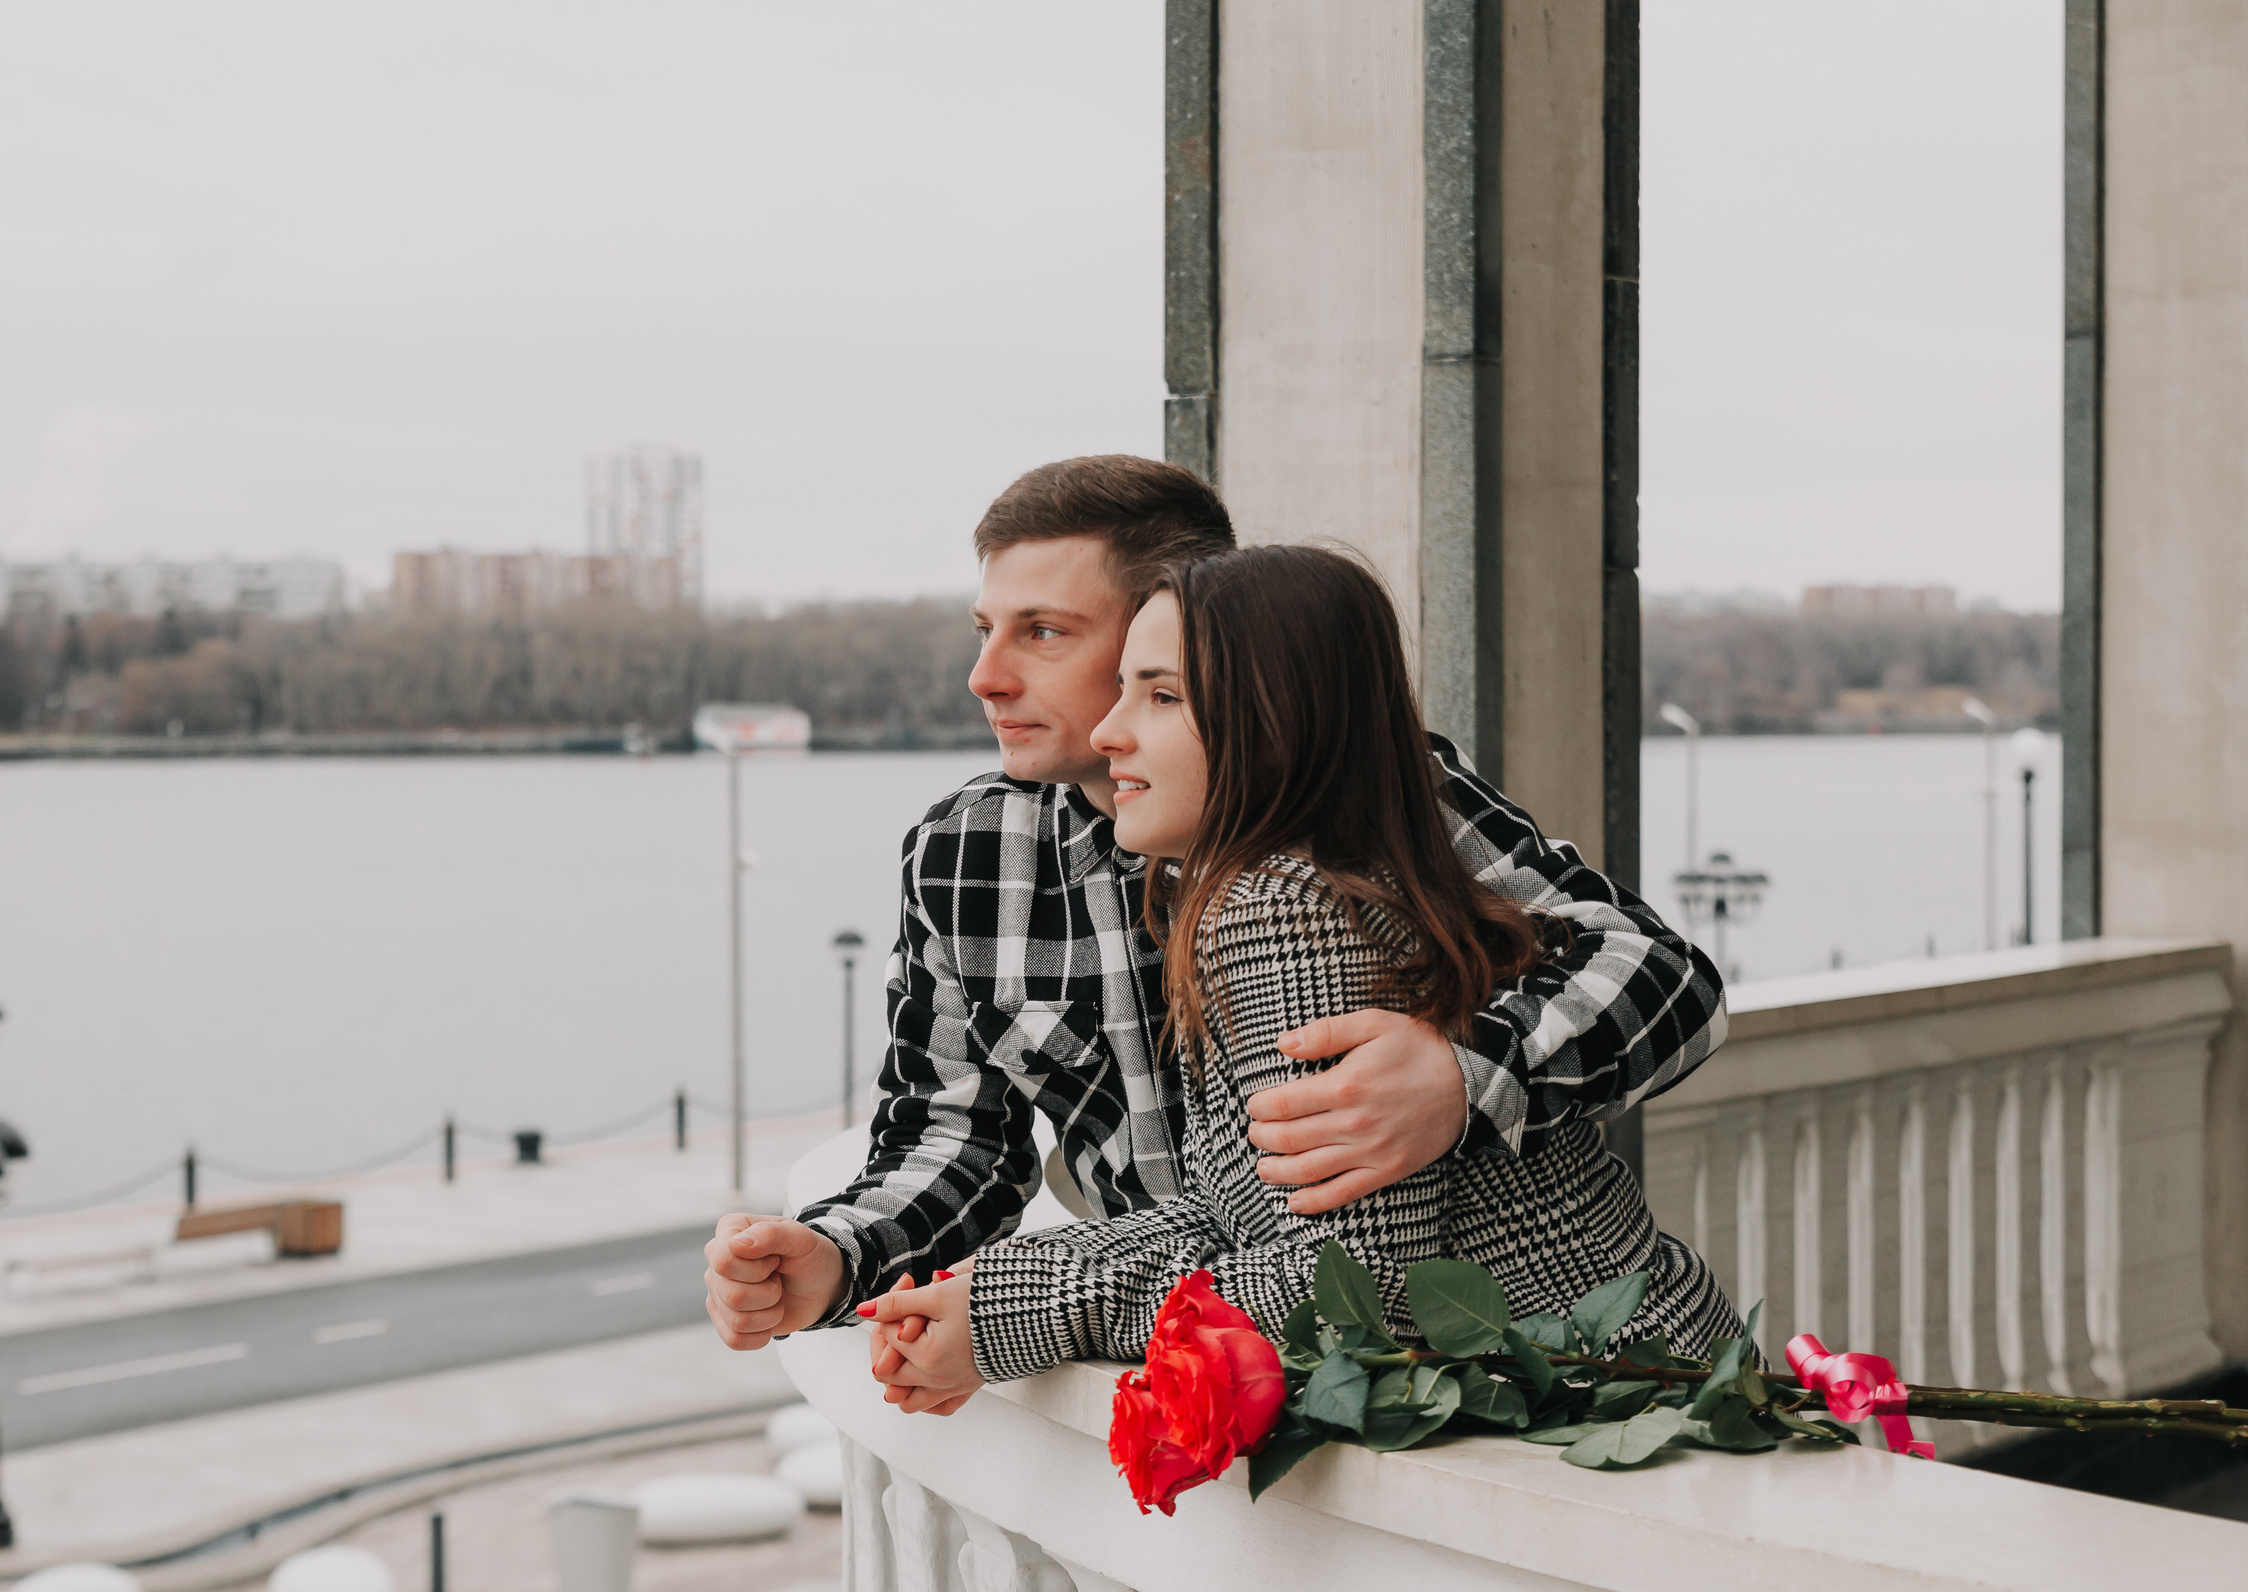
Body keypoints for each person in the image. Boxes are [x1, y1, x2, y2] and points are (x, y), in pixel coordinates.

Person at [703, 456, 1726, 1408]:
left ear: (1186, 627)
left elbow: (1661, 978)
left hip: (1460, 1363)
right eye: (984, 628)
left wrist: (1466, 1076)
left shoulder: (1346, 814)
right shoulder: (967, 854)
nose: (986, 676)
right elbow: (952, 1136)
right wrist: (836, 1256)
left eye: (1044, 632)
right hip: (1216, 1353)